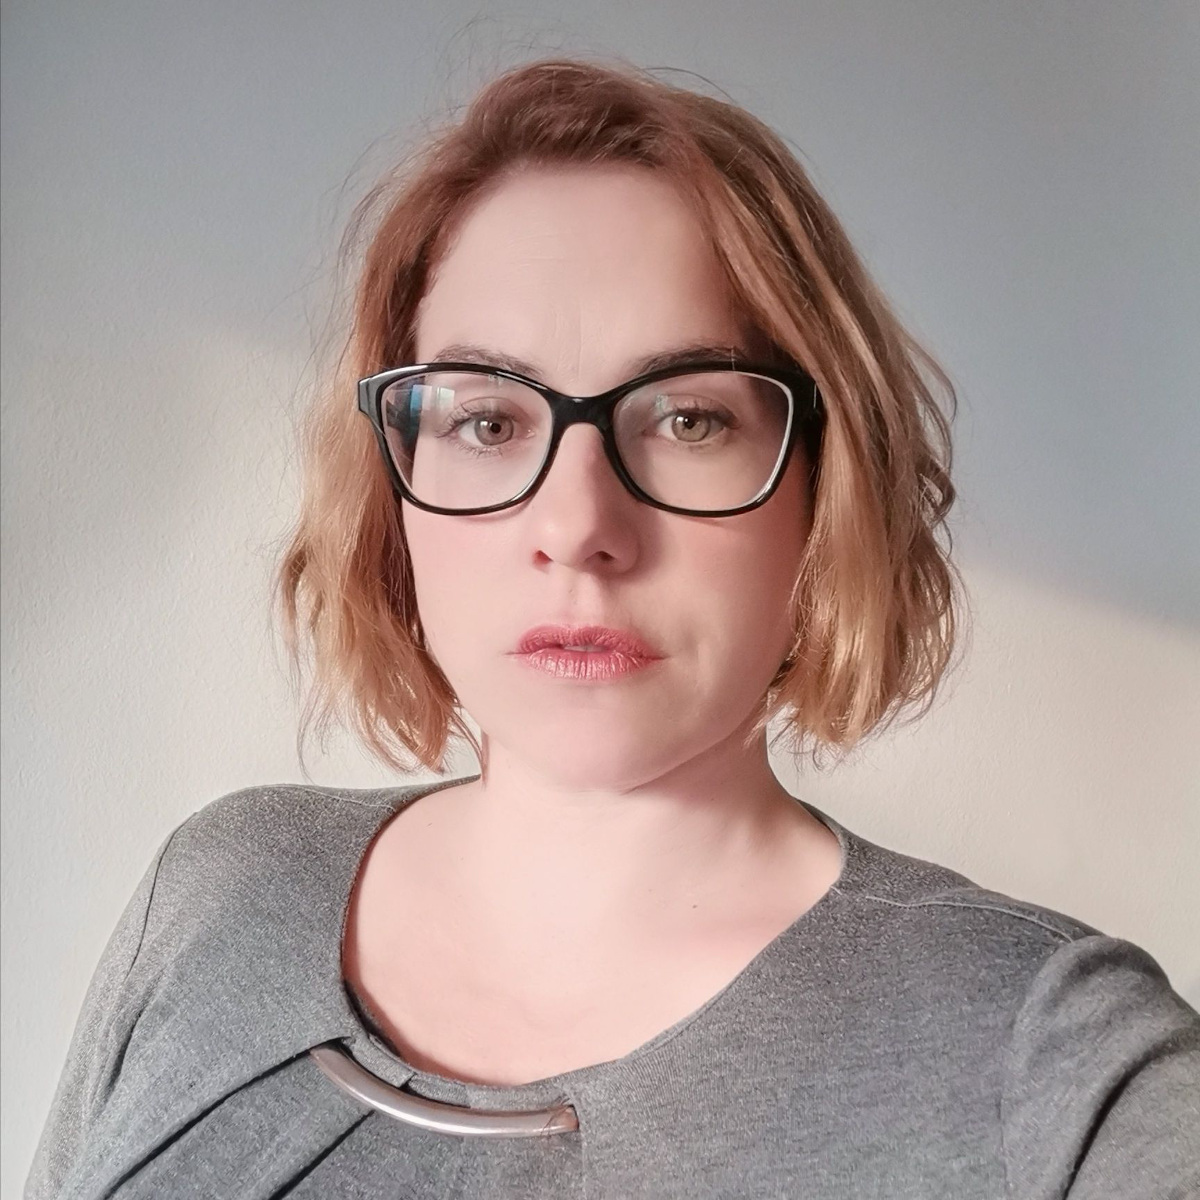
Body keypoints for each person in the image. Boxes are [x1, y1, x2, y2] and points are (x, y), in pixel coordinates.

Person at [26, 56, 1199, 1200]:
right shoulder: (219, 894)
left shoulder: (1057, 1068)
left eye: (688, 418)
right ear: (394, 488)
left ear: (825, 484)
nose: (578, 526)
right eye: (488, 421)